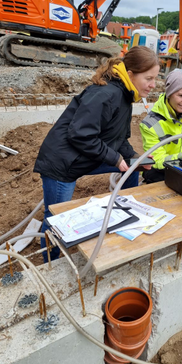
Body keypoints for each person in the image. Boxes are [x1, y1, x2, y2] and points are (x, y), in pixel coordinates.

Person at [34, 45, 161, 261]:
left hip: (83, 157)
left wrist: (136, 159)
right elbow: (80, 135)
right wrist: (115, 158)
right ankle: (50, 262)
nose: (153, 85)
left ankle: (126, 212)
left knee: (131, 168)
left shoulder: (126, 95)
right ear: (130, 74)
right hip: (61, 164)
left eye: (155, 79)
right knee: (56, 217)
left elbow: (119, 139)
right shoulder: (106, 94)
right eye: (149, 78)